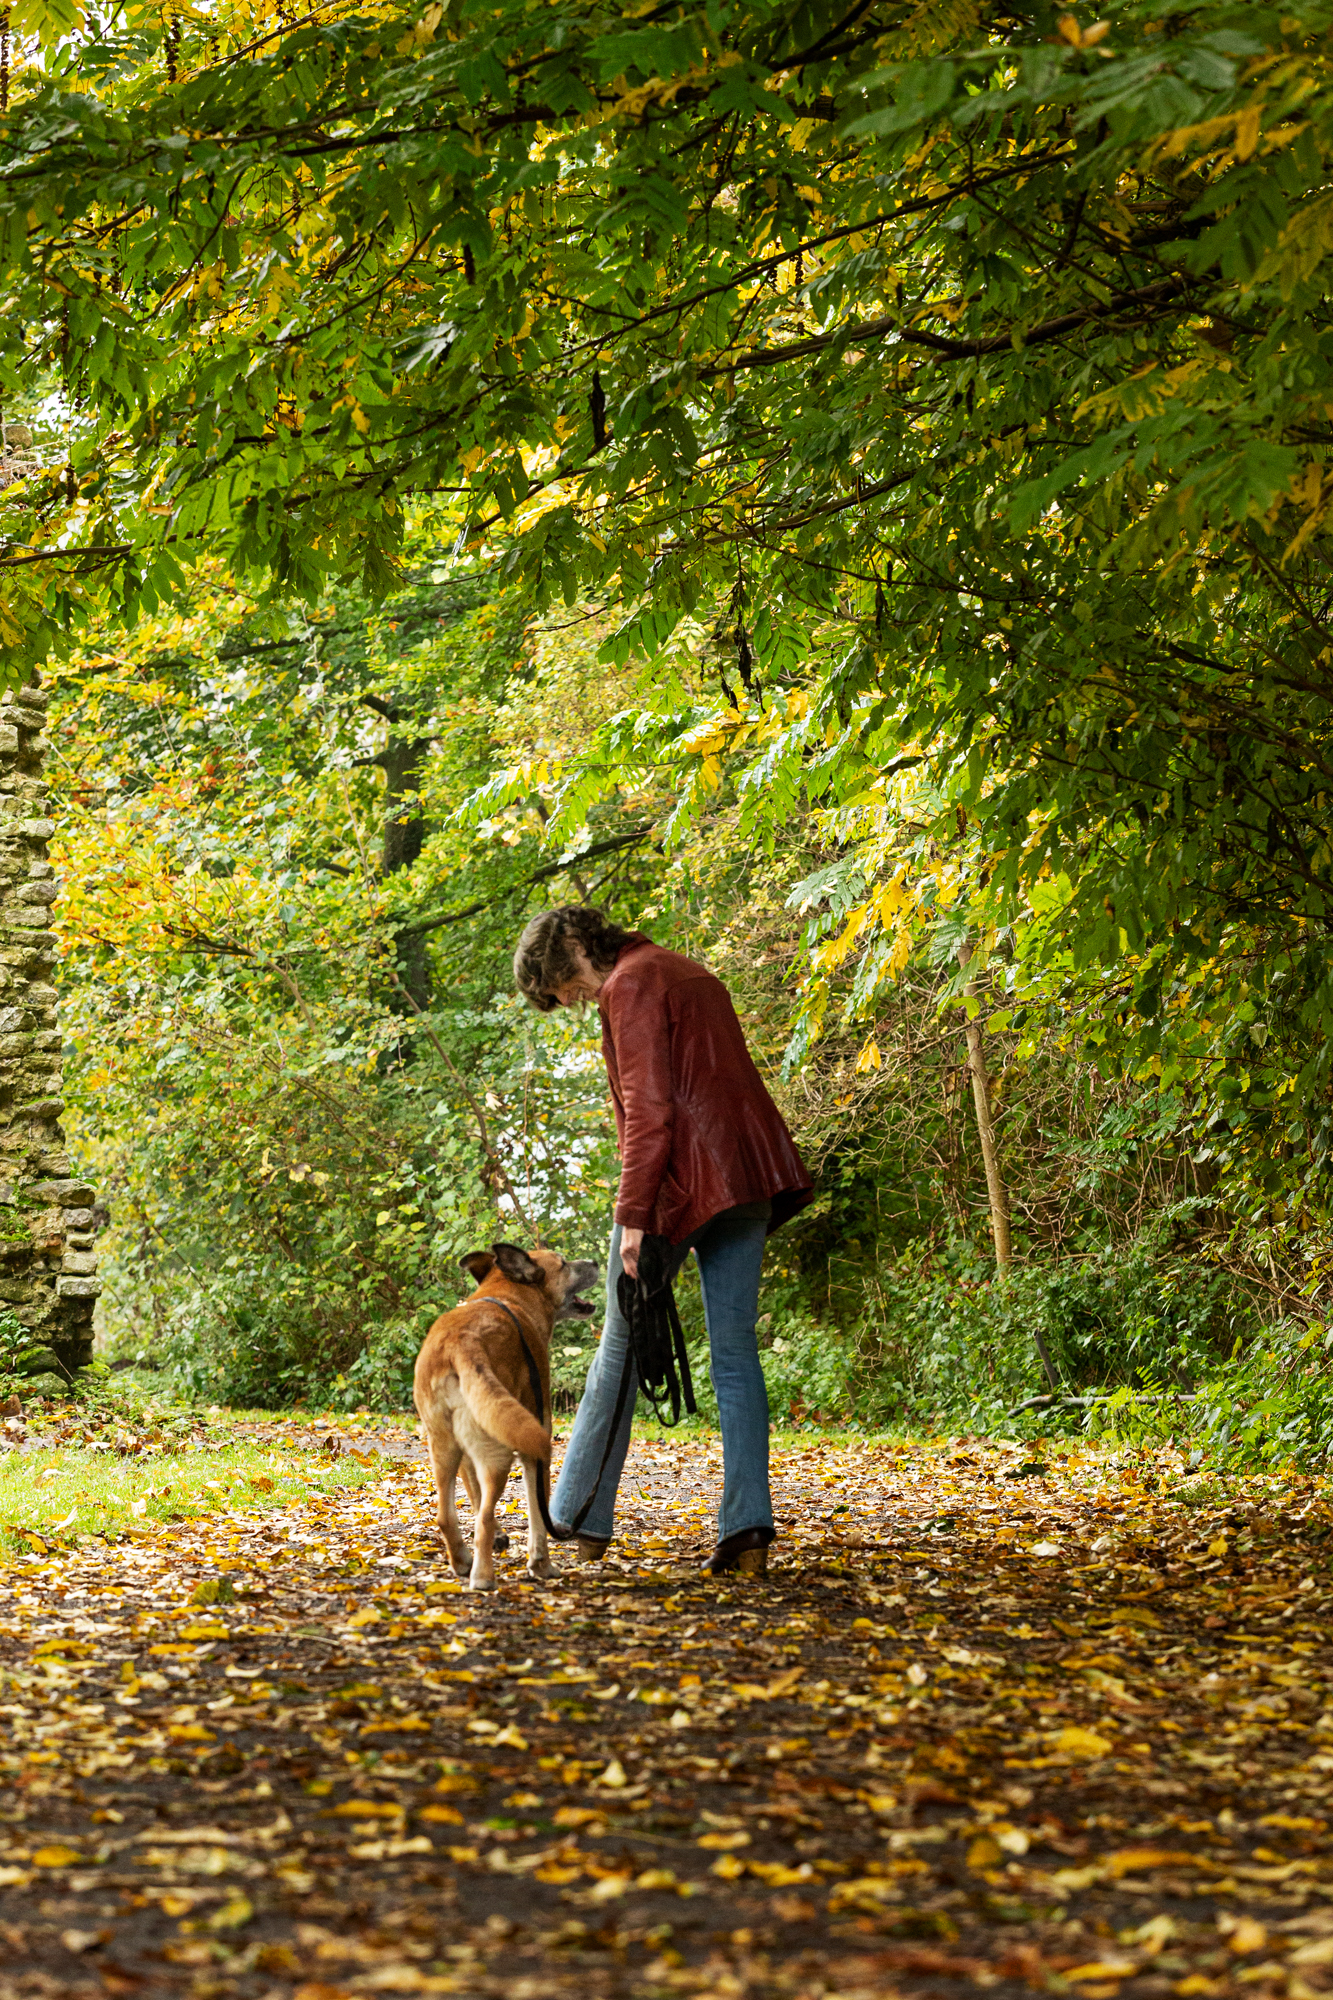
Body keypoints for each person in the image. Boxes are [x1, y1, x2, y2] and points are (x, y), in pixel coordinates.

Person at [513, 905, 813, 1575]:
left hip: (676, 1189)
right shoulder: (687, 971)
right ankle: (747, 1532)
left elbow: (649, 1111)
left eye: (562, 991)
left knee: (617, 1348)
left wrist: (634, 1215)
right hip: (745, 1179)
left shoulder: (629, 983)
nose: (572, 1001)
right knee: (735, 1354)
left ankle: (577, 1518)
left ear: (569, 958)